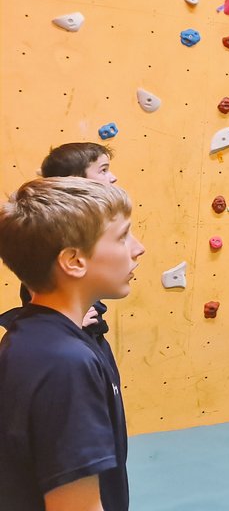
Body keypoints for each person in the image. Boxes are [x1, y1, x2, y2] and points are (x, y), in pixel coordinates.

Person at [0, 177, 145, 511]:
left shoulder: (30, 339)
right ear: (74, 261)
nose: (138, 248)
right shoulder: (66, 364)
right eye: (123, 236)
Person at [0, 143, 118, 371]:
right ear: (76, 179)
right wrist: (67, 322)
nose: (112, 177)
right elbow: (38, 277)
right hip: (68, 330)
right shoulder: (56, 225)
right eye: (103, 170)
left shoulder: (85, 222)